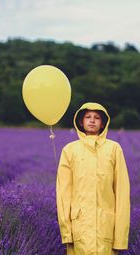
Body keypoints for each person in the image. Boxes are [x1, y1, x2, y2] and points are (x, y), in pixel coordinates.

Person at [56, 102, 131, 255]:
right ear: (80, 122)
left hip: (105, 229)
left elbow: (122, 194)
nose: (92, 120)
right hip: (79, 230)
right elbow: (63, 195)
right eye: (88, 117)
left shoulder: (114, 149)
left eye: (96, 117)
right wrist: (66, 232)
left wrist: (120, 238)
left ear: (103, 123)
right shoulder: (69, 150)